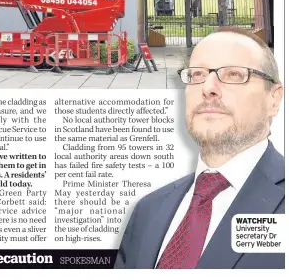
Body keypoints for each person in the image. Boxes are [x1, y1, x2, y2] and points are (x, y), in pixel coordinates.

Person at [114, 28, 284, 269]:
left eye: (234, 74)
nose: (208, 87)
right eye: (197, 75)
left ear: (274, 99)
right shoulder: (147, 210)